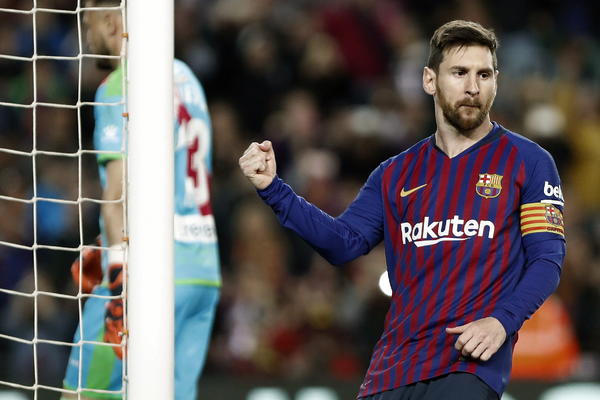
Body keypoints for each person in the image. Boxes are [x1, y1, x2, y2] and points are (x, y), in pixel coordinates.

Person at [239, 20, 566, 400]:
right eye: (459, 73)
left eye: (484, 74)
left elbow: (547, 259)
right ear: (429, 80)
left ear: (496, 81)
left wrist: (501, 322)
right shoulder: (394, 173)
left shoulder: (528, 161)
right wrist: (274, 189)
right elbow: (343, 243)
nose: (473, 87)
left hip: (468, 365)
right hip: (392, 368)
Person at [62, 1, 220, 399]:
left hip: (147, 277)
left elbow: (116, 195)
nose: (86, 37)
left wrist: (117, 276)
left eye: (87, 24)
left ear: (110, 22)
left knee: (79, 396)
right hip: (202, 271)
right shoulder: (185, 77)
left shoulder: (121, 84)